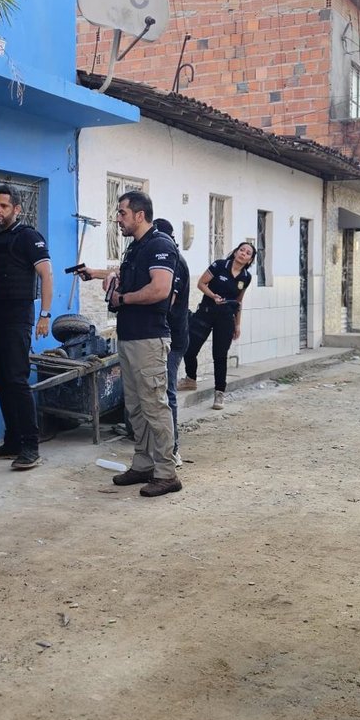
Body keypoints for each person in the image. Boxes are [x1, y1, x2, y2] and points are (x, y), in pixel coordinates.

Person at [104, 191, 182, 496]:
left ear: (140, 215)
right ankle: (143, 463)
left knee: (155, 407)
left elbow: (160, 289)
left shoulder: (160, 244)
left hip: (149, 339)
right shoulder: (134, 248)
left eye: (122, 213)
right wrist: (115, 282)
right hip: (129, 337)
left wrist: (123, 298)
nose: (118, 219)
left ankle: (166, 473)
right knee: (136, 407)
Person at [0, 184, 52, 471]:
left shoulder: (28, 237)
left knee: (17, 379)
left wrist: (45, 315)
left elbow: (46, 274)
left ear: (16, 209)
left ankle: (31, 446)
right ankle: (12, 441)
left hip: (18, 317)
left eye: (3, 206)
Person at [179, 242, 254, 409]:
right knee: (189, 348)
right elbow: (201, 283)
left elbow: (239, 302)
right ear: (235, 252)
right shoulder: (220, 265)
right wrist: (213, 296)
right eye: (241, 250)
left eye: (248, 253)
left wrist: (237, 324)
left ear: (249, 260)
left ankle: (219, 393)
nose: (243, 253)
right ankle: (190, 379)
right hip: (206, 313)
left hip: (226, 318)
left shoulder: (246, 277)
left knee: (220, 356)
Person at [154, 218, 190, 459]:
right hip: (163, 335)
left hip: (173, 338)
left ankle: (172, 450)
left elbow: (167, 300)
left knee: (167, 393)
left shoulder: (173, 260)